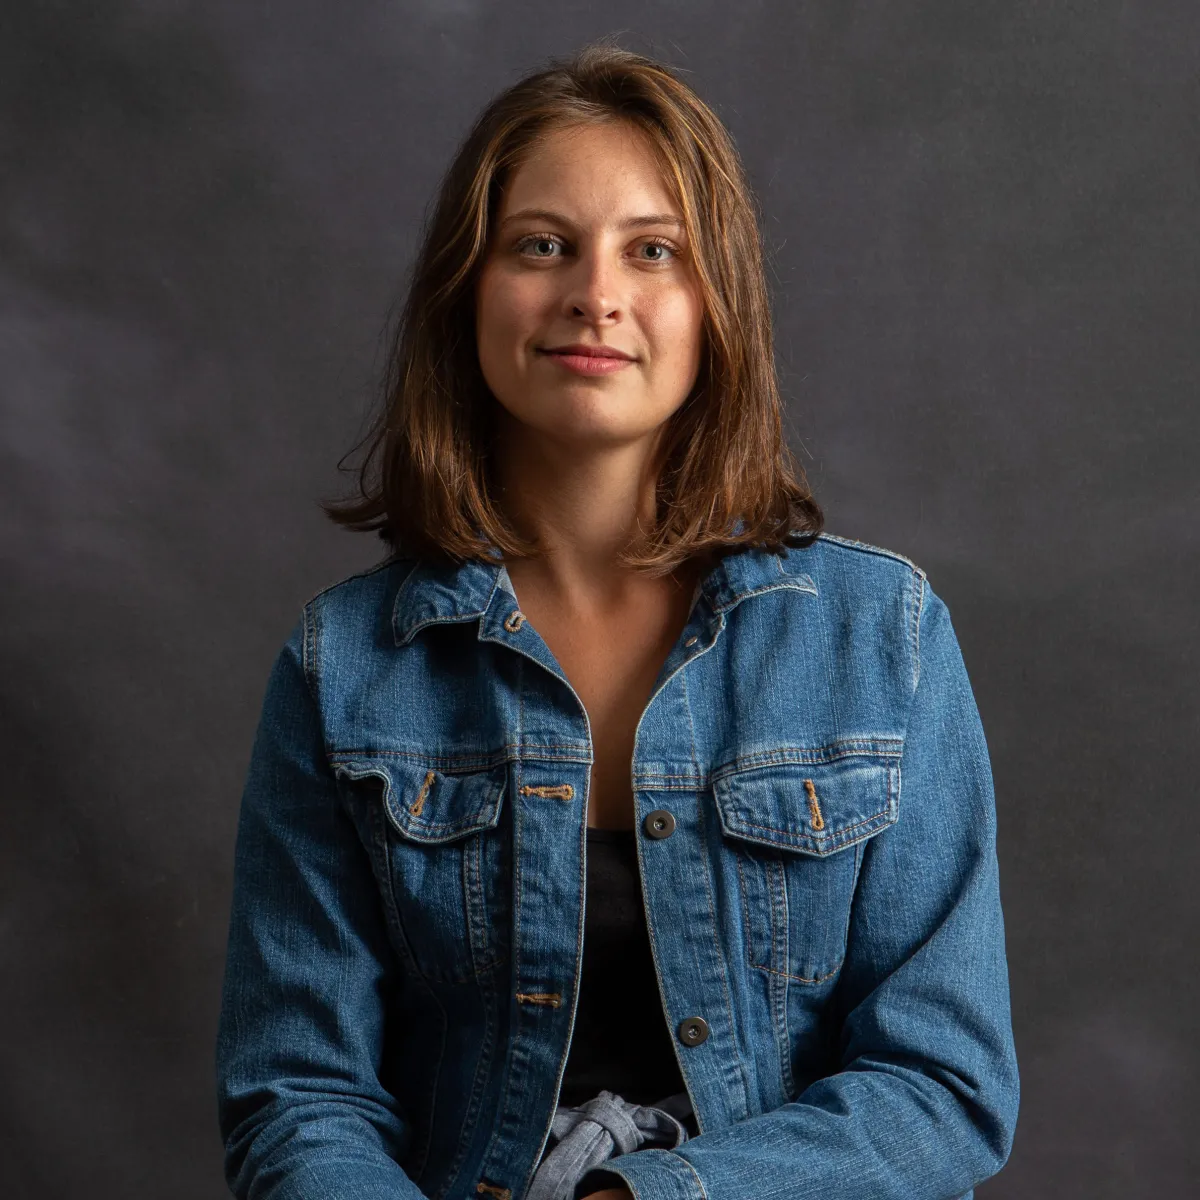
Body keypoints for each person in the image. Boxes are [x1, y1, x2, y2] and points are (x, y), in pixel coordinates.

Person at [215, 40, 1019, 1200]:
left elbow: (942, 1087)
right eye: (542, 245)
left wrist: (644, 1198)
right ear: (467, 289)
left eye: (654, 252)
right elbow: (299, 1092)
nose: (596, 294)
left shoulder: (879, 637)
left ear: (714, 305)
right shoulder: (345, 667)